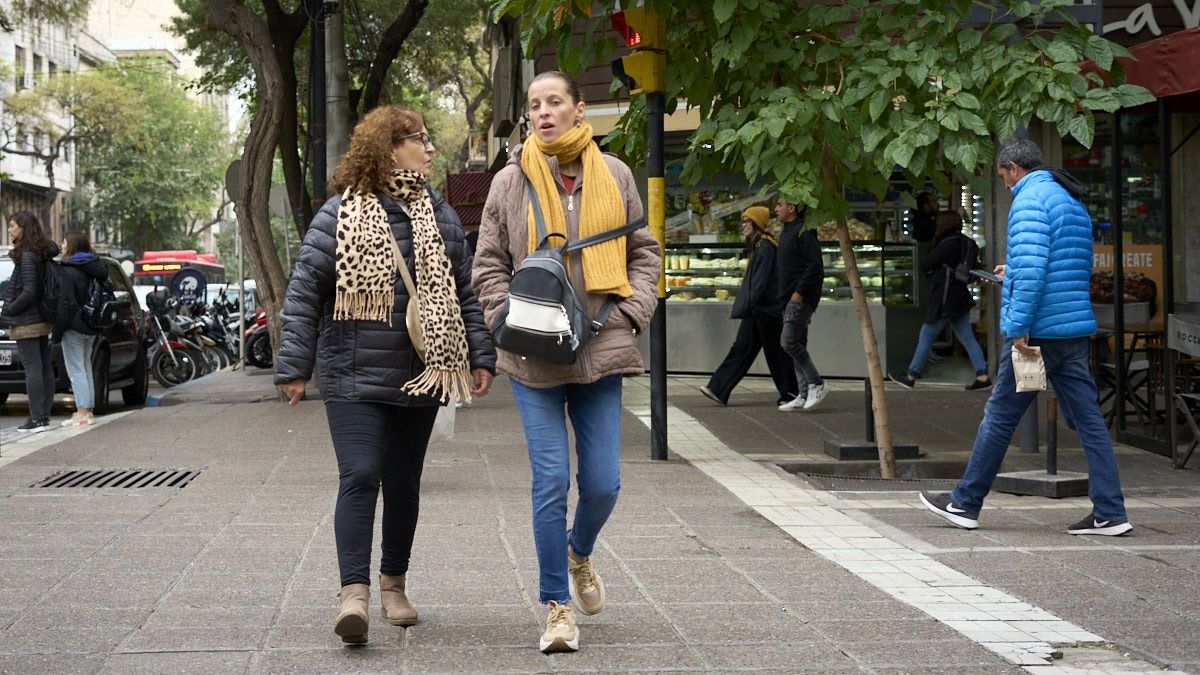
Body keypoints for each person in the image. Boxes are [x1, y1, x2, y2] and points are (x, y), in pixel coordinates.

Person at [274, 105, 497, 644]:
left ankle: (393, 583)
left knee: (402, 482)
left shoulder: (440, 214)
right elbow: (305, 293)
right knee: (362, 474)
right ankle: (354, 594)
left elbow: (464, 290)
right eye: (419, 139)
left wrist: (479, 354)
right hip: (351, 374)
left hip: (421, 371)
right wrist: (294, 366)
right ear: (389, 148)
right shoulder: (338, 213)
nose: (429, 148)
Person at [471, 70, 660, 654]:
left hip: (601, 348)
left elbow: (645, 252)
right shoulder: (509, 182)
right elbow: (488, 264)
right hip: (533, 356)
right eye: (535, 105)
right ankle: (556, 606)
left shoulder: (616, 175)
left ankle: (580, 552)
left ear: (580, 110)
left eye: (555, 102)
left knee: (603, 482)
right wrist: (505, 316)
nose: (544, 112)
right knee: (550, 480)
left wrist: (630, 315)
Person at [919, 136, 1132, 537]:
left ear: (1014, 168)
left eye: (1003, 177)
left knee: (999, 416)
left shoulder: (1029, 201)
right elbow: (1059, 266)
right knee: (1089, 421)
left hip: (1037, 331)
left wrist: (1017, 327)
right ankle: (1111, 511)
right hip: (1070, 327)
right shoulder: (1070, 201)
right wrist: (1011, 272)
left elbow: (1035, 273)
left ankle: (965, 502)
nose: (1005, 186)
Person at [700, 206, 798, 406]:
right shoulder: (759, 247)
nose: (743, 226)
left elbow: (760, 284)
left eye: (747, 222)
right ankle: (718, 389)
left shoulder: (765, 248)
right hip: (759, 310)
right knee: (743, 349)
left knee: (775, 354)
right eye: (743, 222)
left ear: (757, 225)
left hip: (765, 311)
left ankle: (792, 393)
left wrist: (747, 305)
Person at [889, 210, 992, 391]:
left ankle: (911, 376)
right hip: (960, 296)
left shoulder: (948, 244)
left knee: (926, 335)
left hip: (944, 298)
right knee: (967, 337)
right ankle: (982, 376)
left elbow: (926, 264)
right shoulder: (969, 243)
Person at [0, 212, 59, 433]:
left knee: (33, 368)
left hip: (27, 319)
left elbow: (29, 291)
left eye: (12, 226)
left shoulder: (26, 255)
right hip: (40, 317)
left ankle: (37, 419)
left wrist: (9, 309)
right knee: (43, 367)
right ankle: (42, 418)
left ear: (23, 228)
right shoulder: (39, 252)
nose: (9, 230)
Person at [774, 199, 827, 411]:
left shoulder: (804, 231)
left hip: (799, 299)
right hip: (787, 298)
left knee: (788, 342)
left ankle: (816, 383)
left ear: (792, 208)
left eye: (779, 204)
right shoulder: (787, 231)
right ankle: (803, 394)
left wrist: (799, 293)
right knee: (797, 344)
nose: (776, 209)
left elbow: (815, 265)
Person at [57, 230, 110, 427]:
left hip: (73, 325)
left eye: (64, 243)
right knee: (86, 367)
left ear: (71, 246)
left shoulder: (68, 269)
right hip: (92, 325)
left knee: (76, 370)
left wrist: (58, 329)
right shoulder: (94, 267)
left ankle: (81, 412)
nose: (62, 246)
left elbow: (65, 302)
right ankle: (87, 411)